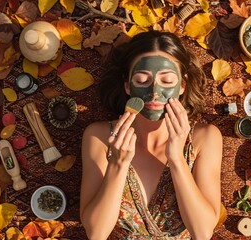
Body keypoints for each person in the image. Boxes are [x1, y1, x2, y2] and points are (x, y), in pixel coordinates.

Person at [80, 31, 225, 239]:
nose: (155, 92)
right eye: (141, 80)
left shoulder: (205, 138)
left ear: (182, 85)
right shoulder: (100, 137)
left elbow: (202, 232)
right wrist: (118, 164)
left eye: (166, 81)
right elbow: (96, 233)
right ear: (127, 85)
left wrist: (177, 160)